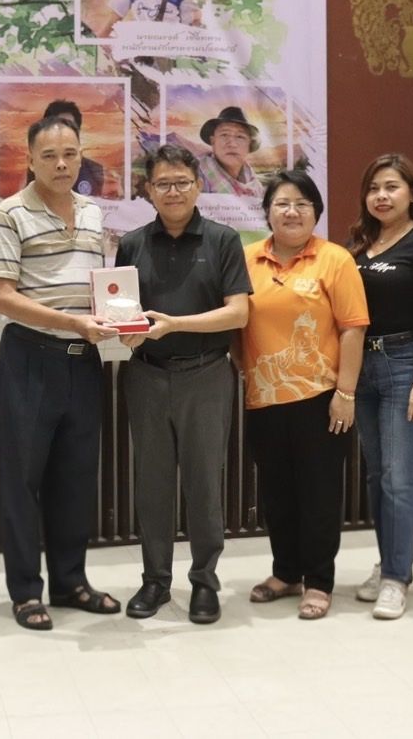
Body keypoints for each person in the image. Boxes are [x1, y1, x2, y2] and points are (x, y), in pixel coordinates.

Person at [0, 115, 122, 630]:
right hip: (31, 357)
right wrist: (72, 322)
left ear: (81, 155)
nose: (62, 164)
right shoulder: (10, 214)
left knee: (76, 476)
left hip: (82, 361)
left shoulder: (92, 211)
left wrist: (120, 319)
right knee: (23, 479)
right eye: (49, 155)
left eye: (70, 154)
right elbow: (4, 297)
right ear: (29, 160)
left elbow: (98, 288)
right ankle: (26, 591)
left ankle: (70, 582)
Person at [114, 144, 251, 624]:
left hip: (206, 375)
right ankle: (155, 581)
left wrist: (176, 325)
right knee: (151, 483)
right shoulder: (132, 244)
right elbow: (123, 311)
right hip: (146, 375)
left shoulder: (223, 240)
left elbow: (238, 313)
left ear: (198, 187)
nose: (173, 192)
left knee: (203, 482)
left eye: (182, 183)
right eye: (163, 184)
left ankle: (205, 582)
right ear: (148, 190)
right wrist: (124, 331)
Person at [239, 170, 368, 621]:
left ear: (316, 212)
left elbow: (353, 329)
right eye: (281, 203)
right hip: (264, 396)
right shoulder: (247, 258)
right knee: (276, 493)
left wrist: (345, 393)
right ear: (267, 212)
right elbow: (236, 320)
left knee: (319, 493)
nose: (291, 212)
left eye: (302, 204)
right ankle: (286, 572)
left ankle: (318, 581)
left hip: (321, 398)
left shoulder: (334, 260)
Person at [347, 153, 413, 620]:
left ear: (411, 193)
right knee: (377, 474)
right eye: (374, 188)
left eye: (391, 187)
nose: (382, 196)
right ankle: (388, 561)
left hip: (407, 365)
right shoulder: (359, 243)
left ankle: (396, 578)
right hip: (363, 366)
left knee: (398, 475)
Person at [23, 99, 105, 196]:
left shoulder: (94, 170)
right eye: (49, 156)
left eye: (68, 126)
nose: (61, 165)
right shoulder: (37, 168)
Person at [196, 107, 265, 198]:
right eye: (224, 135)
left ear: (249, 144)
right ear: (213, 141)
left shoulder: (255, 185)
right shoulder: (193, 175)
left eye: (240, 136)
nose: (232, 144)